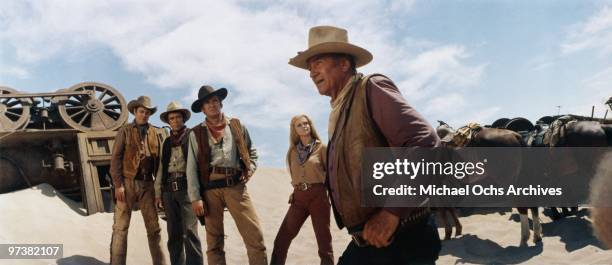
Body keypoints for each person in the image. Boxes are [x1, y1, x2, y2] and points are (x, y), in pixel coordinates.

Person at [289, 25, 442, 264]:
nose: (311, 72)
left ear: (344, 64)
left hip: (403, 239)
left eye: (317, 62)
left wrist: (391, 212)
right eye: (309, 67)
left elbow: (426, 144)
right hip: (370, 241)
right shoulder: (341, 109)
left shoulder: (370, 88)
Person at [185, 85, 267, 265]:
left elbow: (252, 153)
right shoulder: (195, 133)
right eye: (207, 103)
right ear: (202, 109)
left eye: (215, 101)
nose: (212, 105)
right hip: (209, 192)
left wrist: (250, 169)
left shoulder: (237, 126)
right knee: (214, 243)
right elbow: (191, 167)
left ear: (220, 103)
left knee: (255, 236)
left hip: (235, 187)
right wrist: (195, 197)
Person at [109, 96, 167, 265]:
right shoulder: (124, 131)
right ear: (135, 112)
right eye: (141, 111)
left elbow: (161, 163)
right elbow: (115, 159)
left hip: (148, 184)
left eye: (147, 112)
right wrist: (118, 185)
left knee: (154, 229)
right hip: (126, 184)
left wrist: (158, 190)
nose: (144, 115)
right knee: (120, 228)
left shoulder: (156, 132)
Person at [271, 114, 333, 265]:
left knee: (324, 244)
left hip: (318, 197)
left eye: (306, 123)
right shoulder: (292, 152)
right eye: (299, 125)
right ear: (294, 130)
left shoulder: (322, 148)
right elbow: (295, 176)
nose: (304, 126)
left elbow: (332, 174)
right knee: (281, 239)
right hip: (299, 198)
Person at [154, 101, 204, 265]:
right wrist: (158, 193)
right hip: (169, 191)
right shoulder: (166, 142)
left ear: (183, 119)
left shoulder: (192, 136)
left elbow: (198, 163)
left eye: (178, 117)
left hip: (187, 189)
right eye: (172, 118)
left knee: (190, 232)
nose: (175, 120)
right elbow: (161, 167)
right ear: (168, 121)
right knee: (173, 234)